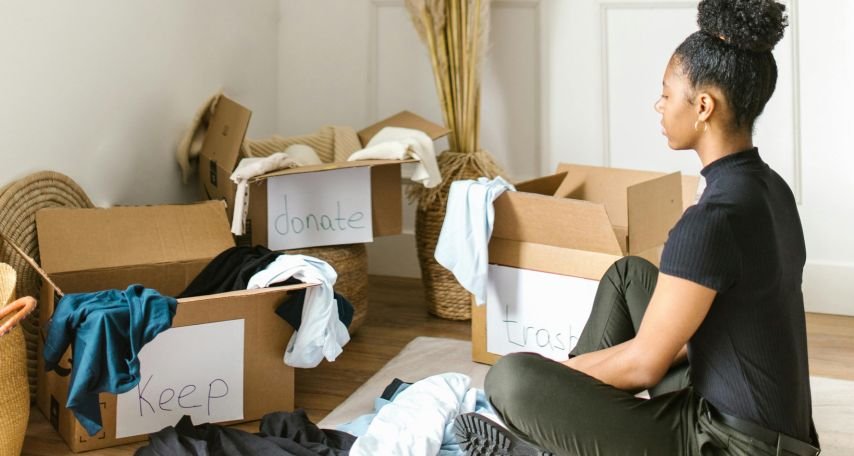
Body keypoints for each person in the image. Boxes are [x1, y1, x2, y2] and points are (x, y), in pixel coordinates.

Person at [454, 0, 821, 455]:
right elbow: (712, 331)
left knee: (509, 378)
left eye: (667, 94)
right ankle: (561, 431)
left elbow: (646, 365)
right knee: (628, 275)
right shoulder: (771, 190)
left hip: (730, 445)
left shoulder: (710, 222)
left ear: (703, 106)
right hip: (772, 428)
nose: (659, 105)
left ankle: (549, 435)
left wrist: (553, 383)